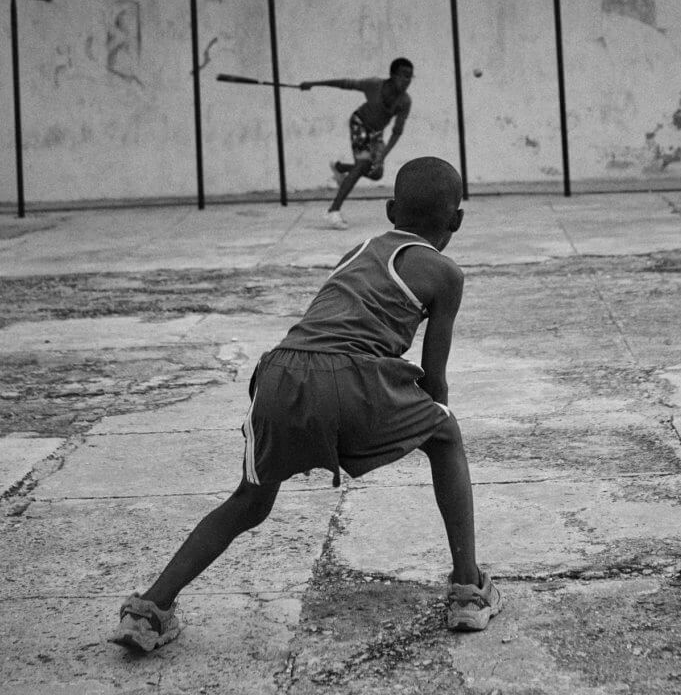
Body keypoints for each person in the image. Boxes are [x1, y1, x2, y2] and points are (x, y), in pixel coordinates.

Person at [110, 156, 502, 653]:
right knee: (446, 436)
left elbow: (328, 324)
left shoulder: (357, 252)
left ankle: (149, 609)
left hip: (279, 374)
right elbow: (435, 376)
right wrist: (427, 421)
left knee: (249, 502)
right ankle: (468, 590)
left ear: (389, 211)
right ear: (457, 220)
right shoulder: (446, 273)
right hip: (350, 375)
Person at [299, 58, 414, 229]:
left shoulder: (405, 101)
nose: (407, 81)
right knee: (362, 164)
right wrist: (313, 84)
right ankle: (333, 210)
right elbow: (344, 83)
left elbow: (397, 132)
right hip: (360, 123)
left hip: (376, 133)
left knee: (376, 173)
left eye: (410, 77)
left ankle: (341, 168)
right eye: (403, 75)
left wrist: (382, 156)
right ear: (392, 75)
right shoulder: (374, 85)